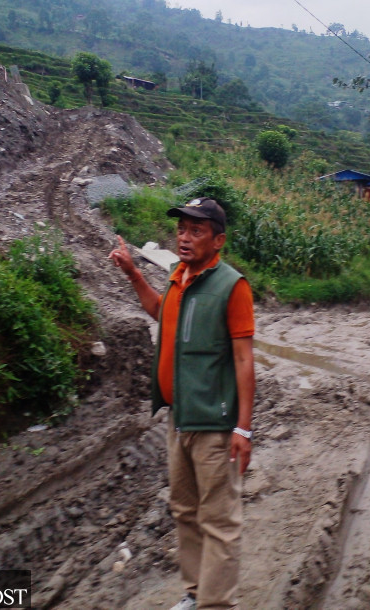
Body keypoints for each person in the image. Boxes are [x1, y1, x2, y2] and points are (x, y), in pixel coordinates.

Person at [108, 197, 255, 610]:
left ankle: (216, 605)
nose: (185, 237)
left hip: (215, 426)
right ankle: (196, 594)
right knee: (185, 511)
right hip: (179, 420)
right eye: (181, 229)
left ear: (218, 239)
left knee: (219, 521)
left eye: (196, 230)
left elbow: (245, 360)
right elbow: (161, 312)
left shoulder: (232, 286)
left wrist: (243, 428)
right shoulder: (177, 276)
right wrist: (135, 274)